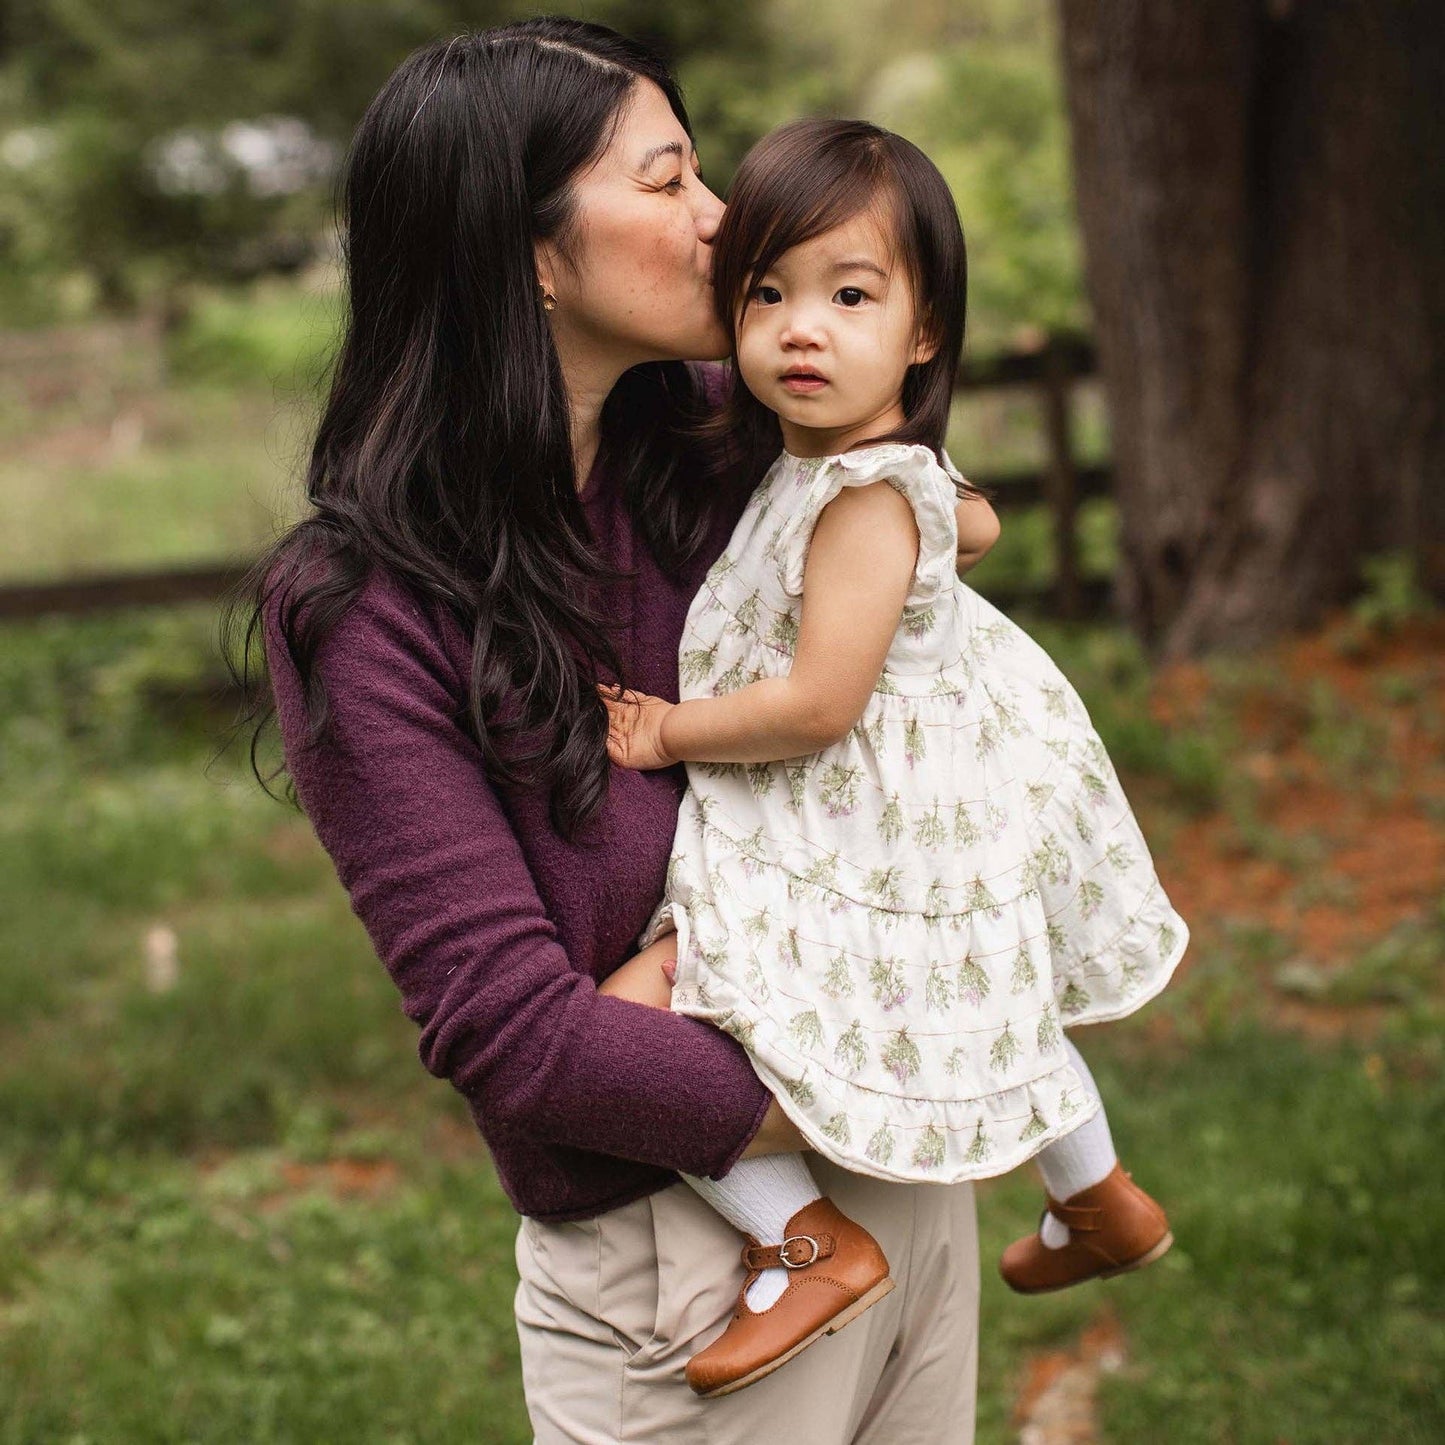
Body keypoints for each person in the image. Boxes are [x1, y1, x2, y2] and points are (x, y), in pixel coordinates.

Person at [242, 20, 985, 1442]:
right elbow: (521, 1039)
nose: (722, 224)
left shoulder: (733, 450)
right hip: (688, 1277)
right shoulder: (370, 607)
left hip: (911, 1197)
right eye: (668, 183)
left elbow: (935, 611)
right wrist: (894, 1051)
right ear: (525, 249)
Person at [598, 118, 1189, 1400]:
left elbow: (815, 703)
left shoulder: (859, 491)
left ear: (923, 333)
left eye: (849, 295)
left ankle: (804, 1237)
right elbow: (961, 514)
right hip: (912, 806)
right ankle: (1095, 1194)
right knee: (983, 992)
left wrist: (663, 728)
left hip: (853, 814)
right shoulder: (843, 463)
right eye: (766, 293)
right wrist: (948, 511)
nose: (801, 327)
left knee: (637, 1018)